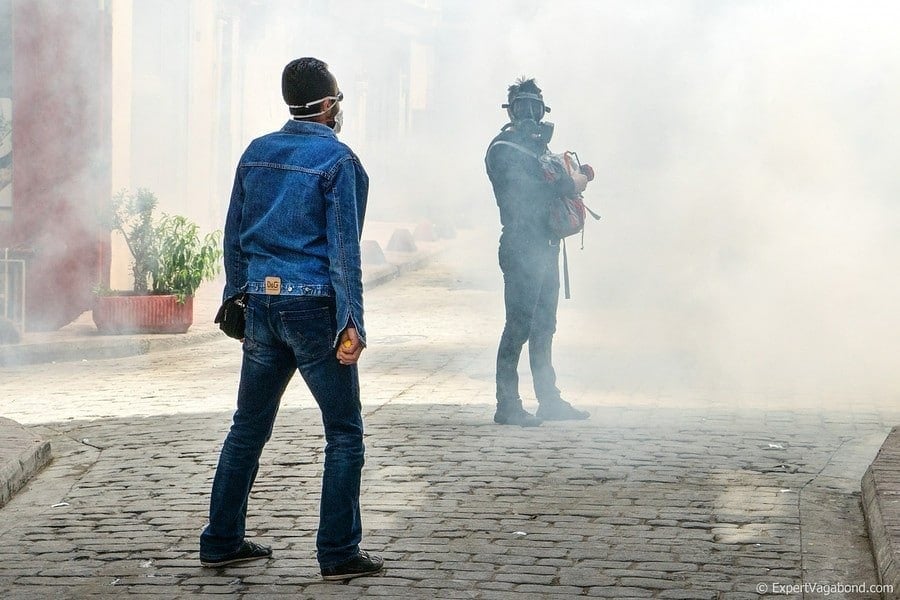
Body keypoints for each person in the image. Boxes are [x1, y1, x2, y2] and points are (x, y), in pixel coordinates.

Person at [199, 57, 383, 581]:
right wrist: (353, 323)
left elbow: (233, 236)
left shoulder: (255, 154)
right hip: (314, 309)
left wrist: (238, 297)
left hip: (262, 302)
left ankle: (221, 541)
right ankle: (339, 553)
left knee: (247, 428)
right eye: (338, 101)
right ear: (327, 105)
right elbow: (344, 250)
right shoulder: (338, 161)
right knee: (345, 433)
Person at [485, 77, 592, 427]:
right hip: (520, 246)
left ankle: (549, 398)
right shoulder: (504, 149)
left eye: (535, 106)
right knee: (518, 326)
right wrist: (577, 180)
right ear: (512, 110)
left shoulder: (538, 149)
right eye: (523, 106)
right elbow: (542, 189)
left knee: (545, 325)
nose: (530, 113)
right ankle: (508, 403)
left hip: (546, 246)